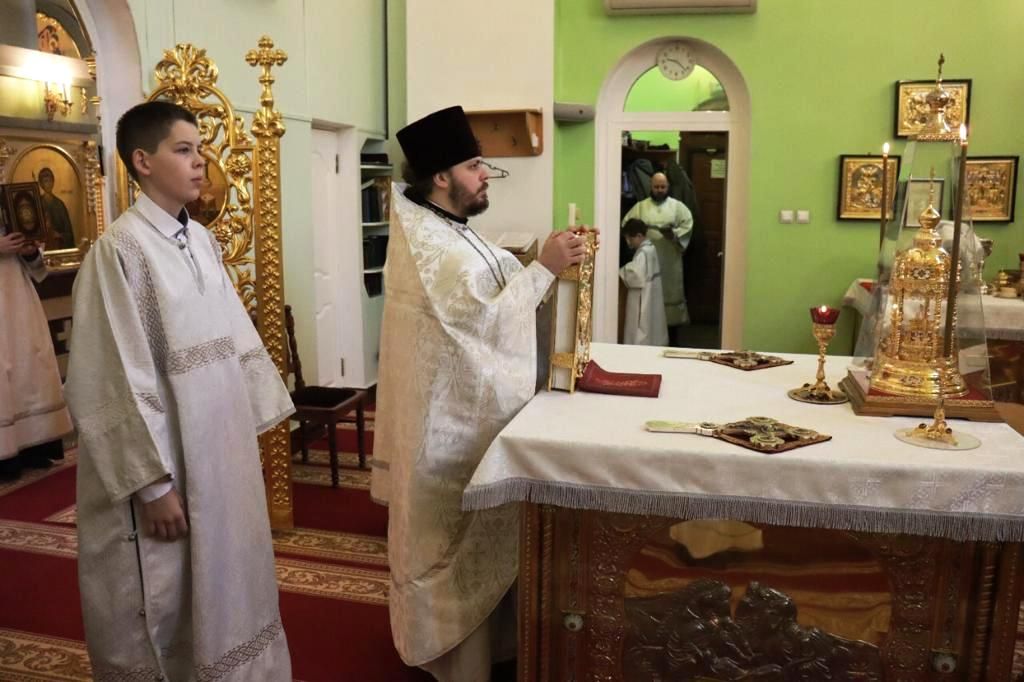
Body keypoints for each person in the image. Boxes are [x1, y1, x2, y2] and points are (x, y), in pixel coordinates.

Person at [64, 101, 294, 681]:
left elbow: (232, 342)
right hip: (167, 467)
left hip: (219, 460)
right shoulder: (120, 251)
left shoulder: (202, 242)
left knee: (229, 583)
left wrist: (243, 443)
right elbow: (111, 376)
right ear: (143, 161)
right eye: (184, 150)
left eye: (201, 149)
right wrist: (153, 485)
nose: (200, 163)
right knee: (168, 596)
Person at [369, 105, 586, 681]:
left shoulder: (445, 228)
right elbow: (482, 318)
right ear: (441, 176)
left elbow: (488, 290)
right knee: (449, 547)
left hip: (461, 421)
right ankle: (455, 661)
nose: (486, 174)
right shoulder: (432, 245)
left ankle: (495, 650)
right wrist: (544, 268)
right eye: (474, 165)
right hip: (445, 433)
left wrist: (539, 263)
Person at [0, 218, 72, 480]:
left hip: (18, 293)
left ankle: (33, 446)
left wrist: (29, 251)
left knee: (27, 367)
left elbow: (37, 269)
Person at [621, 171, 694, 344]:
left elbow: (688, 225)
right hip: (646, 261)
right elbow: (626, 226)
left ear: (668, 187)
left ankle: (671, 339)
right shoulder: (640, 207)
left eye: (663, 187)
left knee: (669, 300)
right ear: (650, 187)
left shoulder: (678, 207)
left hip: (670, 261)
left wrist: (673, 234)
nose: (660, 190)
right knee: (649, 304)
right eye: (656, 187)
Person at [619, 218, 668, 346]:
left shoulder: (643, 253)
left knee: (641, 325)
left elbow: (635, 274)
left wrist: (620, 271)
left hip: (642, 295)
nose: (629, 243)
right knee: (651, 324)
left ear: (639, 236)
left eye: (630, 239)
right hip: (651, 293)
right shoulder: (651, 248)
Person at [38, 167, 76, 249]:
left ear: (53, 182)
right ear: (41, 184)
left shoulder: (60, 204)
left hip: (58, 246)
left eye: (50, 181)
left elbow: (69, 233)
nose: (48, 184)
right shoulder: (38, 204)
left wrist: (59, 235)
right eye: (45, 181)